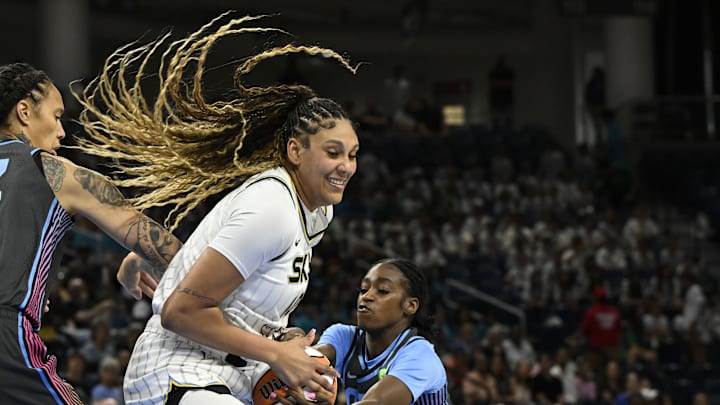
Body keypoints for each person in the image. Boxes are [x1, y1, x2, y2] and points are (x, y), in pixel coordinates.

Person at [74, 13, 360, 405]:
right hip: (177, 367)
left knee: (319, 379)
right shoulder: (271, 207)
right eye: (333, 153)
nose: (346, 165)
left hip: (239, 371)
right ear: (295, 151)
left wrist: (285, 344)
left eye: (352, 155)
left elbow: (234, 289)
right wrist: (277, 355)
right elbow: (181, 312)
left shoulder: (316, 212)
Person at [0, 62, 183, 404]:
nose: (61, 132)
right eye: (56, 117)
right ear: (24, 111)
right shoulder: (50, 169)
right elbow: (169, 250)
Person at [288, 258, 449, 405]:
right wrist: (294, 347)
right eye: (364, 289)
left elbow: (375, 402)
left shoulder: (420, 354)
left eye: (383, 290)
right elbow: (311, 361)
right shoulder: (343, 336)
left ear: (410, 306)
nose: (367, 296)